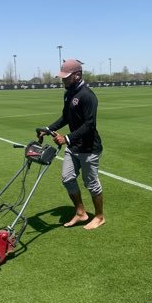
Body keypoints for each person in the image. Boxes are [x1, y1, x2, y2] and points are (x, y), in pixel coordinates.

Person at [38, 59, 105, 230]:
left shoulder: (88, 96)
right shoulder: (68, 93)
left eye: (66, 78)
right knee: (67, 179)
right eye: (62, 78)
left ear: (78, 75)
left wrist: (66, 138)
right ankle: (81, 212)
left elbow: (90, 125)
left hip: (89, 149)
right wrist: (48, 129)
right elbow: (65, 117)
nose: (63, 81)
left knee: (91, 183)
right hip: (73, 147)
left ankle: (99, 216)